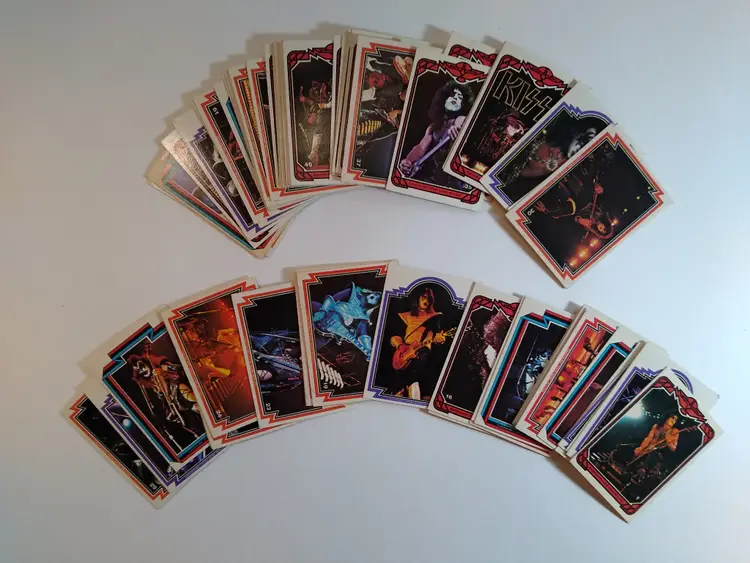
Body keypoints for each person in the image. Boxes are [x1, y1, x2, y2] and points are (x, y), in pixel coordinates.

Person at [398, 80, 475, 189]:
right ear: (444, 99)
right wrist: (408, 161)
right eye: (452, 95)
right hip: (432, 178)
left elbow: (461, 123)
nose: (455, 98)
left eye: (459, 98)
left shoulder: (460, 119)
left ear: (463, 105)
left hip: (452, 181)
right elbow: (421, 147)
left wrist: (457, 129)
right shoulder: (433, 127)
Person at [388, 288, 449, 399]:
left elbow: (439, 335)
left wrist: (441, 340)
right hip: (404, 353)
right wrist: (400, 346)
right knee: (401, 385)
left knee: (415, 379)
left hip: (423, 353)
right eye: (424, 297)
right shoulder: (404, 316)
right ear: (417, 297)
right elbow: (394, 336)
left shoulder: (435, 317)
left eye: (429, 299)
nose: (426, 301)